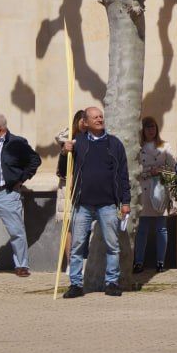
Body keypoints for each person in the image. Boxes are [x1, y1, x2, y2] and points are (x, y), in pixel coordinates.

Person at [62, 106, 130, 298]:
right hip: (82, 203)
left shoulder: (114, 143)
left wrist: (126, 201)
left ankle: (112, 282)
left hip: (108, 203)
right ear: (86, 122)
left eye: (101, 116)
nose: (100, 119)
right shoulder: (79, 142)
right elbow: (63, 169)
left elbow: (123, 174)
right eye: (95, 117)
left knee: (112, 245)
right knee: (77, 245)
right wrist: (64, 152)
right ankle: (75, 284)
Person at [0, 113, 40, 278]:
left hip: (6, 193)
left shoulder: (16, 142)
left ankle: (21, 265)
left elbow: (34, 160)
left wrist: (21, 179)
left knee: (16, 230)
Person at [134, 116, 176, 273]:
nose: (151, 130)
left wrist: (160, 171)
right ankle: (138, 262)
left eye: (153, 127)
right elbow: (134, 170)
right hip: (144, 190)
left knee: (161, 228)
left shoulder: (165, 146)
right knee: (142, 229)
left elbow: (174, 168)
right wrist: (147, 172)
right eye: (147, 127)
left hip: (160, 190)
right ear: (142, 130)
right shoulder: (138, 148)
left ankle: (160, 262)